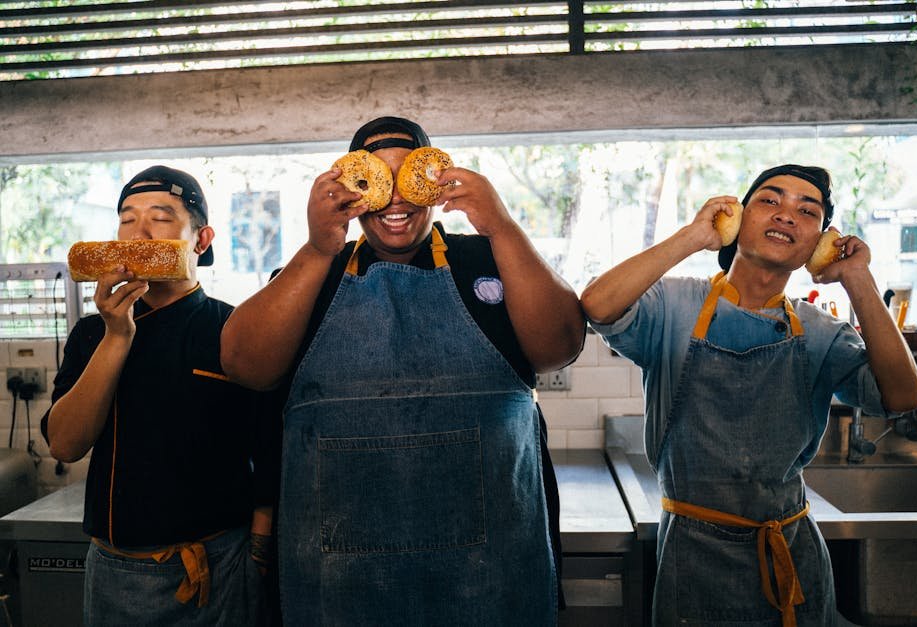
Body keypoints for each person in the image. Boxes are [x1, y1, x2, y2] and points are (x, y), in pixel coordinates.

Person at [220, 116, 585, 625]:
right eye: (376, 181)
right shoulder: (312, 275)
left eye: (408, 176)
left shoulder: (490, 258)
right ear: (348, 190)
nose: (395, 199)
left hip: (490, 577)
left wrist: (500, 225)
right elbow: (244, 366)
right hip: (342, 585)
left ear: (436, 183)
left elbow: (560, 346)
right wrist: (318, 247)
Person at [580, 164, 917, 626]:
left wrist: (857, 278)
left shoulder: (822, 334)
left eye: (808, 211)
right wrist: (692, 237)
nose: (786, 215)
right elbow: (597, 305)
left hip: (791, 556)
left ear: (819, 242)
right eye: (770, 200)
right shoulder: (673, 306)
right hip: (691, 556)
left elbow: (902, 396)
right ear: (737, 219)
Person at [41, 165, 280, 626]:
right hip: (113, 569)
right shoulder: (93, 332)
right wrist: (116, 335)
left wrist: (258, 556)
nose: (138, 233)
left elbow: (269, 450)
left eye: (161, 217)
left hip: (216, 564)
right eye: (127, 219)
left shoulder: (235, 328)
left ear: (201, 239)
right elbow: (65, 445)